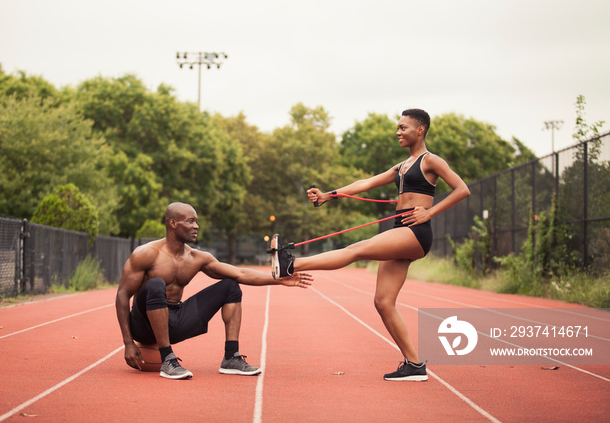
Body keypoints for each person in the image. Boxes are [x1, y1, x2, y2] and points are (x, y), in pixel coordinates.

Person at [270, 108, 470, 381]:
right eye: (398, 128)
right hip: (402, 230)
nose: (398, 132)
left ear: (420, 130)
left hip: (416, 232)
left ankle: (290, 263)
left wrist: (429, 212)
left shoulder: (430, 161)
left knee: (358, 249)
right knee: (383, 302)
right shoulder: (402, 166)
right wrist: (329, 195)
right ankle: (414, 365)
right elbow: (366, 183)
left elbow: (462, 189)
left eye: (403, 128)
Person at [116, 202, 313, 380]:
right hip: (143, 324)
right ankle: (168, 360)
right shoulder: (146, 254)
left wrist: (279, 279)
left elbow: (240, 273)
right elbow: (123, 295)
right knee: (156, 284)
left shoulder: (197, 258)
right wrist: (128, 343)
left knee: (230, 286)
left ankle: (231, 357)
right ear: (173, 224)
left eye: (197, 222)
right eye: (191, 221)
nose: (196, 227)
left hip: (175, 320)